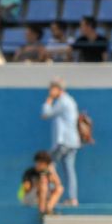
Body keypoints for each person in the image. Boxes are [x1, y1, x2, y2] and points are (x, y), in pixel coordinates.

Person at [42, 78, 81, 207]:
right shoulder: (70, 100)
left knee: (48, 165)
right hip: (73, 141)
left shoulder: (62, 101)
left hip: (63, 141)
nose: (49, 91)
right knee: (69, 170)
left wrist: (49, 100)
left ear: (58, 89)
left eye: (51, 88)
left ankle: (52, 193)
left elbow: (46, 113)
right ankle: (72, 198)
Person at [19, 150, 65, 215]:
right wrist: (37, 184)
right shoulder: (30, 172)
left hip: (44, 199)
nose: (38, 165)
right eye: (38, 162)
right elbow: (26, 189)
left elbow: (58, 184)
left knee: (60, 188)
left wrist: (52, 171)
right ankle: (42, 212)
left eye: (41, 163)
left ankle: (49, 208)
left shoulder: (48, 173)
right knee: (43, 184)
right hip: (31, 198)